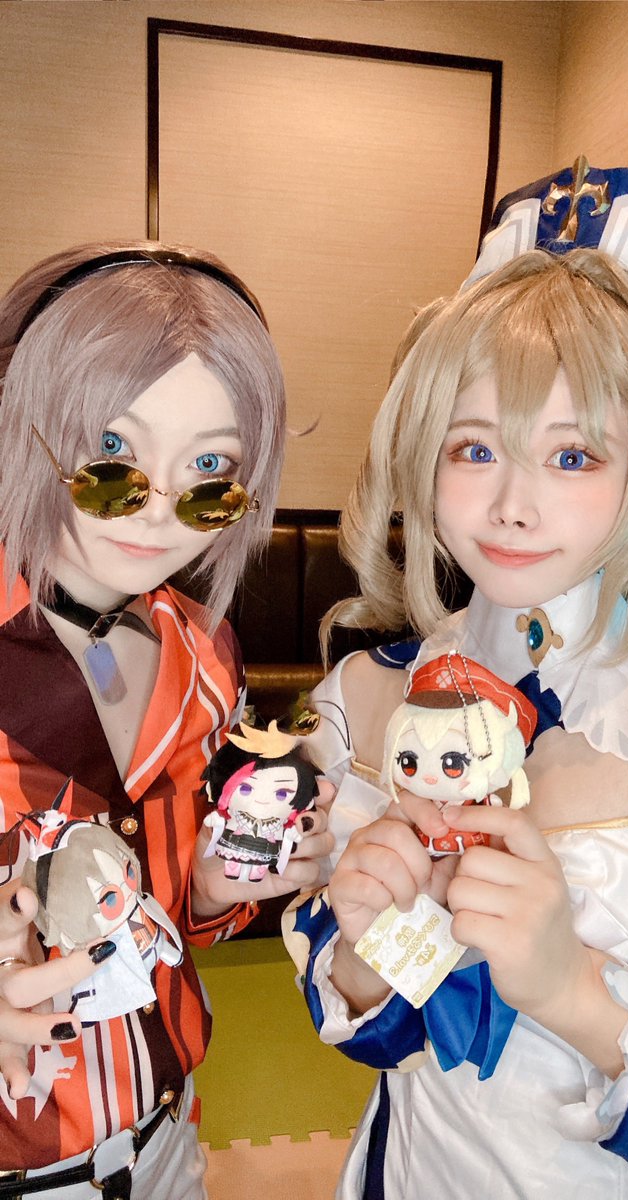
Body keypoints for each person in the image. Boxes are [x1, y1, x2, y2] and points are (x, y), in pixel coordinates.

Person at [284, 161, 628, 1197]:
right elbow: (354, 1007)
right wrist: (369, 945)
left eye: (574, 455)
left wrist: (569, 988)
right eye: (473, 447)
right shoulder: (367, 698)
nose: (510, 504)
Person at [0, 243, 332, 1198]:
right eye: (111, 455)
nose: (157, 512)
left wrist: (220, 886)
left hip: (167, 1136)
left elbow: (167, 916)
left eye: (210, 469)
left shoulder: (204, 654)